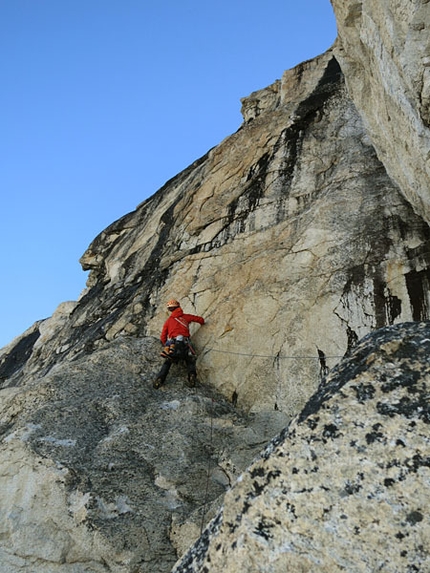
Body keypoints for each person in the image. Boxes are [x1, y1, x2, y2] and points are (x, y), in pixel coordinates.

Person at [153, 299, 205, 389]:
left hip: (172, 343)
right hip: (185, 342)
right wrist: (202, 323)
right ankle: (192, 375)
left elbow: (163, 336)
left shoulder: (169, 321)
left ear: (170, 310)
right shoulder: (186, 317)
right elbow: (200, 320)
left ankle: (160, 378)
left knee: (168, 362)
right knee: (189, 360)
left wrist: (166, 344)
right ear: (179, 307)